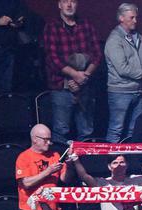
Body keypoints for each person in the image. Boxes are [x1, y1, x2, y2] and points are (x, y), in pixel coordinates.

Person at [42, 0, 101, 144]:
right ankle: (61, 159)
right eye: (65, 1)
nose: (69, 5)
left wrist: (84, 76)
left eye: (72, 1)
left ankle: (85, 158)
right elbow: (52, 58)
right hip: (61, 86)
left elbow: (97, 54)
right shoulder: (52, 26)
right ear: (59, 5)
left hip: (85, 85)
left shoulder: (86, 25)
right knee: (61, 130)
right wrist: (75, 75)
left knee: (86, 131)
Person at [104, 3, 142, 143]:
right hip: (120, 91)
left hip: (139, 89)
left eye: (136, 17)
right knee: (116, 129)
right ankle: (111, 157)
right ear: (121, 18)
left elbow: (140, 64)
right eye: (131, 18)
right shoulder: (114, 39)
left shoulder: (138, 37)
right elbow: (122, 68)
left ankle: (131, 156)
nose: (135, 21)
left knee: (135, 129)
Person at [16, 123, 68, 210]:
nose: (49, 143)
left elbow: (65, 179)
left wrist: (72, 165)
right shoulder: (24, 157)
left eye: (50, 139)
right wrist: (47, 172)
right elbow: (26, 183)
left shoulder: (55, 155)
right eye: (45, 139)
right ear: (35, 139)